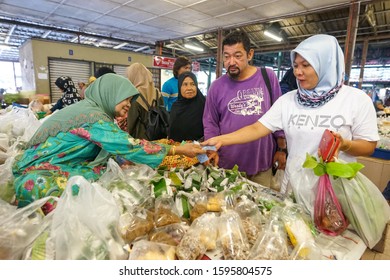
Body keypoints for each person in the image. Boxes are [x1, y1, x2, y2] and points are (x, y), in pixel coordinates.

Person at [202, 34, 379, 203]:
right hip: (294, 189)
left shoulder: (356, 99)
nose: (298, 72)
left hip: (333, 192)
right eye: (295, 66)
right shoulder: (289, 100)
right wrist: (220, 140)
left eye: (306, 65)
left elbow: (369, 146)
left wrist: (345, 145)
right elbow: (258, 128)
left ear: (326, 64)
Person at [12, 73, 205, 214]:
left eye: (131, 100)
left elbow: (119, 148)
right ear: (110, 93)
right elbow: (129, 145)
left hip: (54, 166)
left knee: (106, 174)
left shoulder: (93, 111)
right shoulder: (93, 117)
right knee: (93, 189)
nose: (129, 104)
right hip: (36, 173)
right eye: (126, 99)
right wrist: (178, 149)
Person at [202, 30, 287, 188]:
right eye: (226, 56)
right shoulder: (216, 87)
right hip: (228, 165)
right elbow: (210, 122)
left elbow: (279, 116)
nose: (231, 62)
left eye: (237, 55)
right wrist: (210, 150)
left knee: (261, 208)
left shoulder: (268, 77)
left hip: (262, 164)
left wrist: (282, 149)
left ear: (250, 54)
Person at [125, 62, 162, 138]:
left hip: (142, 140)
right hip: (159, 136)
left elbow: (131, 124)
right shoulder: (157, 93)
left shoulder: (135, 95)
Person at [169, 71, 206, 142]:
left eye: (193, 84)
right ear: (179, 87)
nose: (189, 88)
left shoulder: (204, 105)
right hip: (178, 149)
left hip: (201, 148)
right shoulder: (176, 107)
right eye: (185, 84)